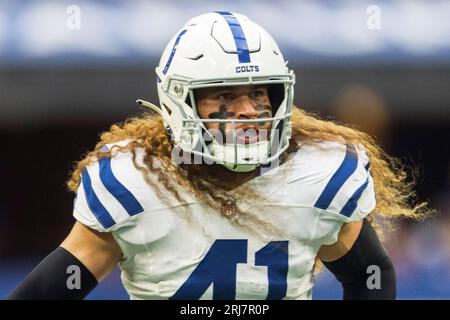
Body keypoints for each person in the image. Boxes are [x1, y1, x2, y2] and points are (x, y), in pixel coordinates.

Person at [7, 12, 427, 300]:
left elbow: (370, 277)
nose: (247, 110)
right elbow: (50, 290)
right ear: (179, 102)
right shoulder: (138, 180)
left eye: (259, 92)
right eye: (225, 94)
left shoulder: (318, 173)